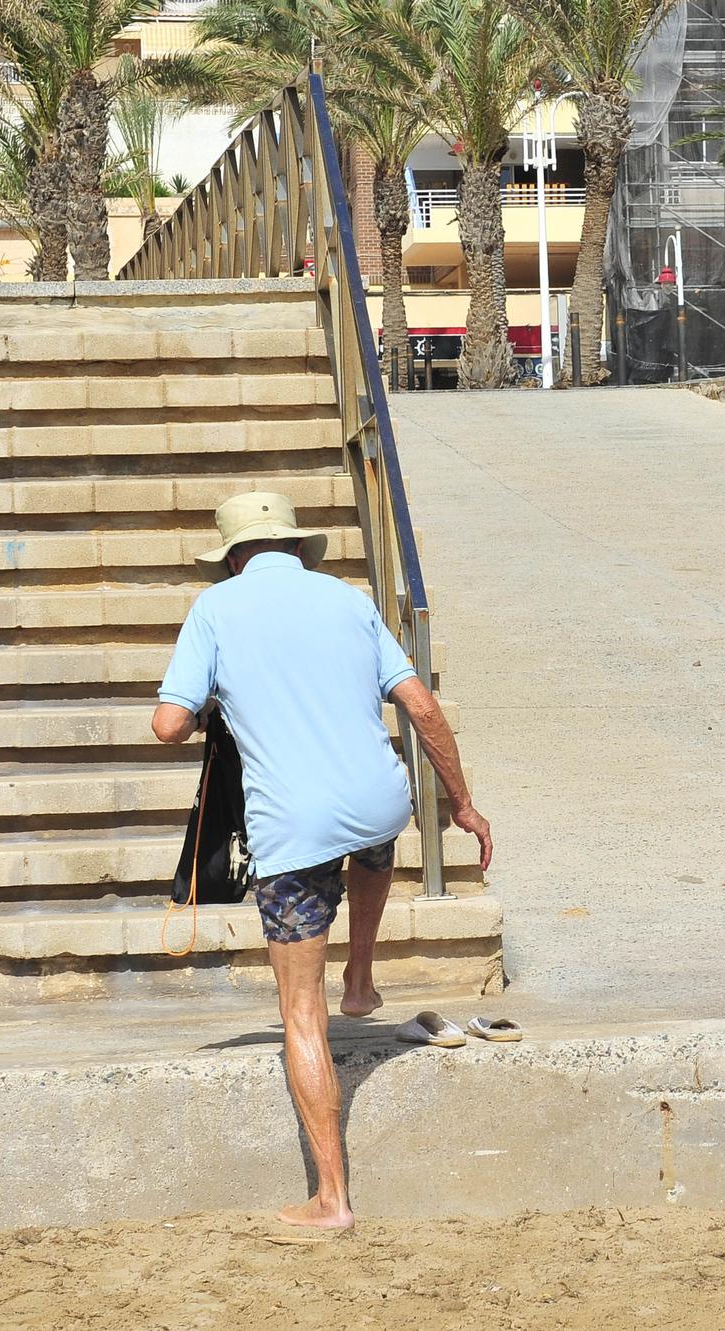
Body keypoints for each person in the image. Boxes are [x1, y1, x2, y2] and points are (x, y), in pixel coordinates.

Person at [151, 492, 493, 1231]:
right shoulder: (348, 600)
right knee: (369, 839)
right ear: (296, 549)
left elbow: (168, 723)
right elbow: (423, 709)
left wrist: (213, 697)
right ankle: (362, 975)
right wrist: (462, 805)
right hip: (380, 798)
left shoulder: (215, 610)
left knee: (299, 1012)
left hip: (294, 824)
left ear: (234, 557)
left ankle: (331, 1198)